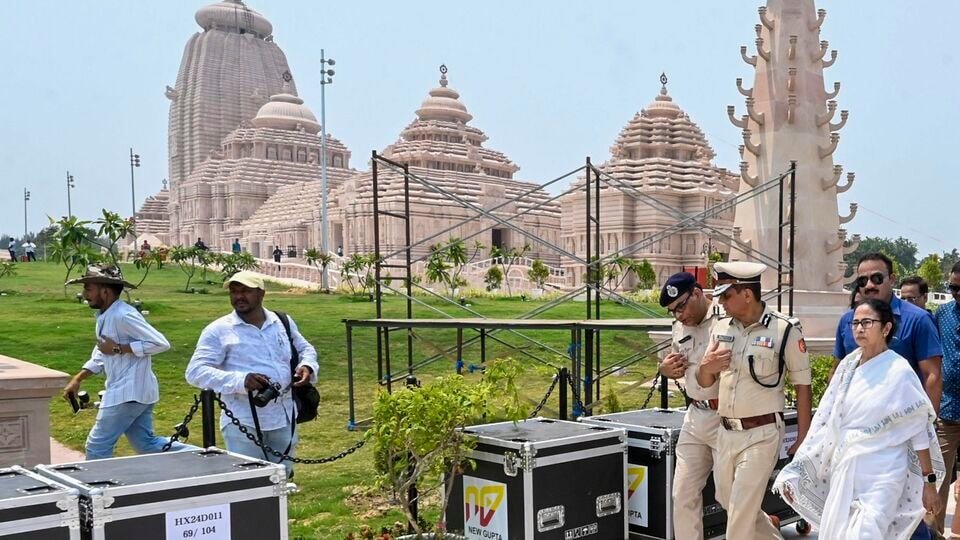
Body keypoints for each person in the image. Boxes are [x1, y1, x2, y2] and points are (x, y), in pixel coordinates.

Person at [774, 298, 945, 539]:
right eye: (855, 323)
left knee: (867, 533)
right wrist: (799, 469)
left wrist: (929, 482)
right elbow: (828, 422)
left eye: (867, 322)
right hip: (846, 468)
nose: (859, 328)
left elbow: (917, 430)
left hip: (884, 472)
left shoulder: (899, 370)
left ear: (886, 328)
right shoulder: (848, 366)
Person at [697, 261, 812, 539]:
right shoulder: (721, 327)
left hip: (762, 434)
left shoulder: (784, 329)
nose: (721, 303)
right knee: (729, 502)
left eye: (726, 295)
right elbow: (705, 382)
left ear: (747, 294)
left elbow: (803, 386)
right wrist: (706, 368)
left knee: (738, 517)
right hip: (724, 432)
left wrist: (804, 436)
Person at [659, 272, 767, 539]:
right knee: (682, 494)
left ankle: (767, 533)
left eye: (681, 307)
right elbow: (674, 360)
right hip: (695, 415)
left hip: (727, 418)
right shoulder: (680, 326)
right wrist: (664, 369)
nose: (679, 316)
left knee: (730, 497)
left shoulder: (727, 316)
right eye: (673, 312)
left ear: (697, 293)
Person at [185, 271, 318, 477]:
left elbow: (305, 348)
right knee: (250, 482)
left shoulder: (281, 321)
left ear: (261, 293)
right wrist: (241, 380)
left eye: (246, 291)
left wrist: (307, 366)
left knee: (282, 478)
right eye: (234, 291)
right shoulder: (219, 330)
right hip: (243, 418)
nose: (239, 296)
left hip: (283, 415)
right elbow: (195, 371)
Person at [62, 264, 189, 459]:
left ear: (105, 291)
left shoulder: (123, 315)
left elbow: (160, 343)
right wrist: (78, 378)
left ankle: (98, 487)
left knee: (97, 446)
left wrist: (118, 349)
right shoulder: (107, 315)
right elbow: (102, 352)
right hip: (136, 391)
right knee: (146, 445)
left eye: (88, 288)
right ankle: (207, 456)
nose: (84, 293)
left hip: (127, 392)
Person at [933, 263, 960, 536]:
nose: (956, 293)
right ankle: (934, 534)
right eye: (953, 287)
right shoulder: (943, 314)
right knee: (938, 477)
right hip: (948, 410)